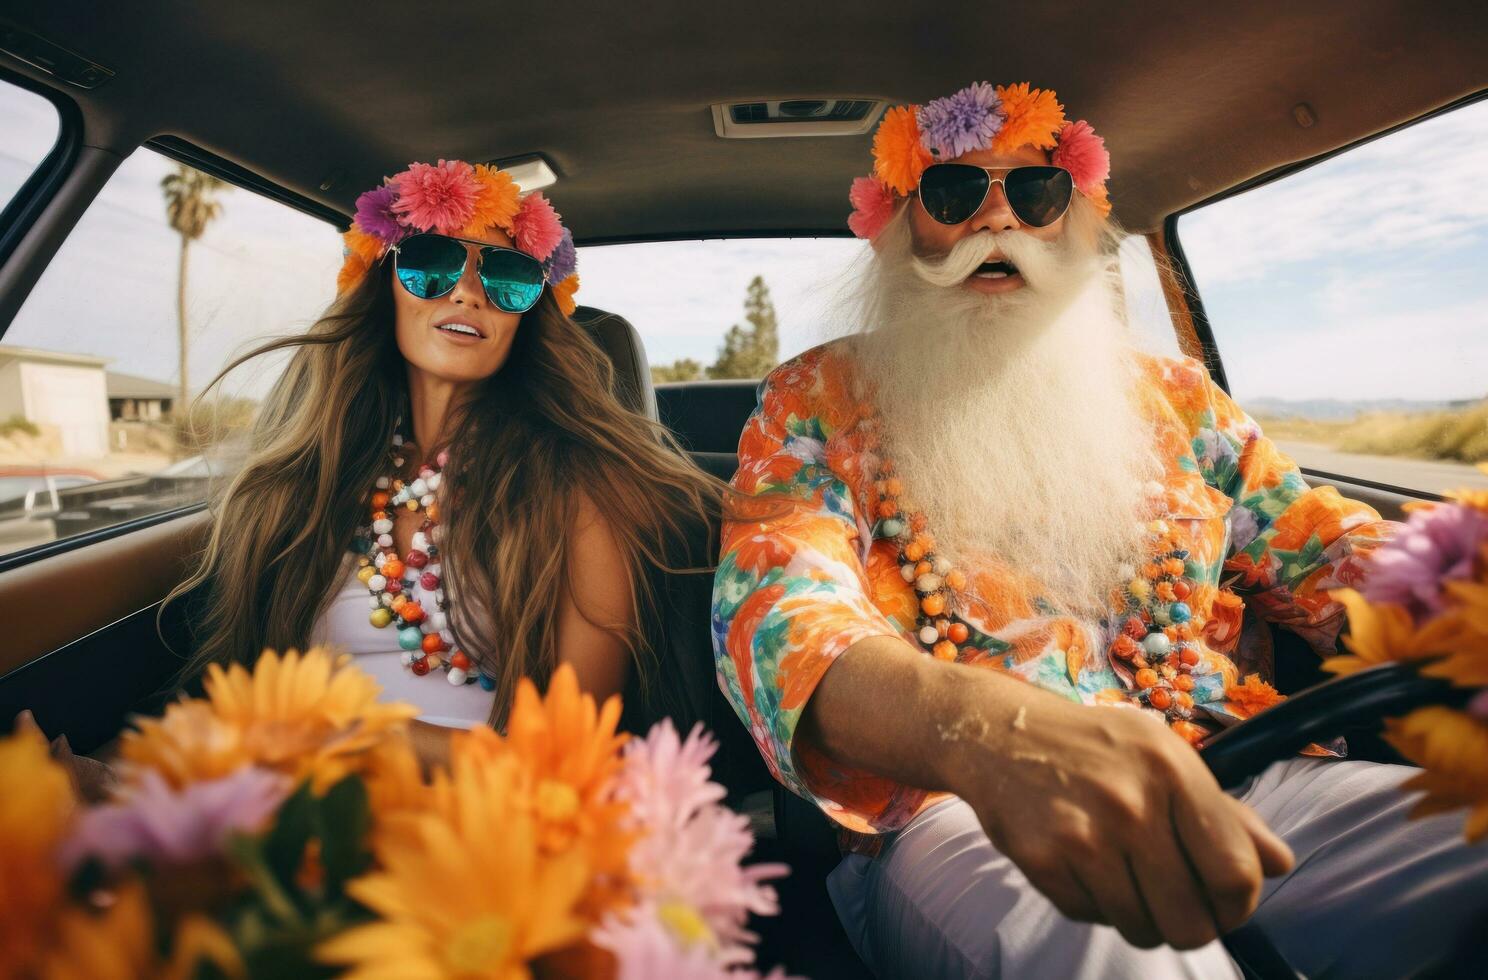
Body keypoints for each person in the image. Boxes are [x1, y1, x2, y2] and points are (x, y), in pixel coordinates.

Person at [713, 83, 1488, 977]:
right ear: (902, 228)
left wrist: (1456, 601)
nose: (996, 218)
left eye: (1037, 194)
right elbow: (778, 618)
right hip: (961, 811)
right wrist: (989, 736)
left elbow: (1330, 550)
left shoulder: (1185, 402)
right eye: (955, 192)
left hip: (1246, 771)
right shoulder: (813, 400)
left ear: (1078, 225)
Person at [167, 158, 716, 763]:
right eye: (431, 262)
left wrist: (357, 737)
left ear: (527, 315)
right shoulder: (316, 476)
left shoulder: (578, 484)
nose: (467, 291)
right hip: (294, 803)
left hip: (479, 832)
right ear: (384, 286)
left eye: (508, 277)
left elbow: (569, 760)